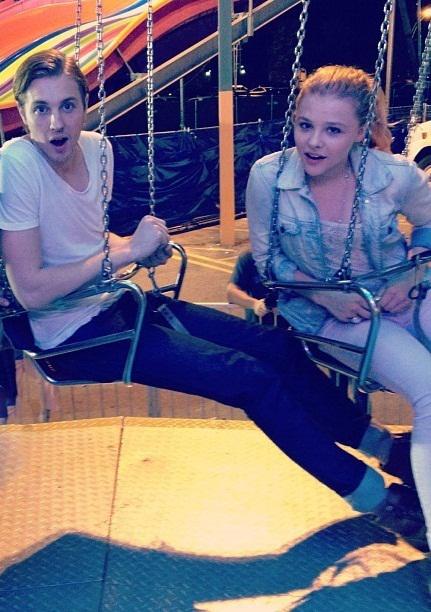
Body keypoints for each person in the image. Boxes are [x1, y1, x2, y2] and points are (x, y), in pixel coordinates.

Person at [0, 51, 426, 552]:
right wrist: (126, 254)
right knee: (248, 378)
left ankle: (385, 448)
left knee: (277, 349)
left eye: (67, 106)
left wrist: (135, 246)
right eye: (41, 108)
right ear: (21, 112)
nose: (56, 123)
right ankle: (381, 500)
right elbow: (31, 289)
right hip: (73, 335)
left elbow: (87, 242)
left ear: (85, 105)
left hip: (117, 305)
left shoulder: (97, 151)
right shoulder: (16, 165)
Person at [246, 65, 431, 559]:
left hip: (403, 295)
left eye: (332, 130)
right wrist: (323, 295)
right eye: (305, 125)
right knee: (428, 389)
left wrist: (412, 274)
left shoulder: (393, 174)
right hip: (335, 319)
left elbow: (429, 222)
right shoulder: (270, 177)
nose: (314, 142)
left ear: (359, 132)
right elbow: (267, 260)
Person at [227, 249, 288, 327]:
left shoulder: (291, 258)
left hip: (290, 326)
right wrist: (254, 304)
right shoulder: (249, 257)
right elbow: (231, 292)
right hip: (258, 325)